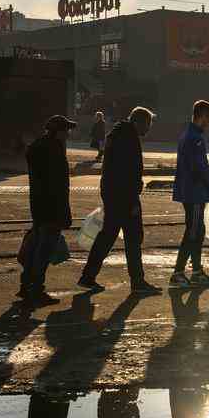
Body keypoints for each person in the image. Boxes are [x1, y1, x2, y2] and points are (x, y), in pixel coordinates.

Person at [80, 107, 161, 295]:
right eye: (147, 124)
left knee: (107, 237)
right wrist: (132, 201)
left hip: (112, 194)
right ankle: (138, 281)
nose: (148, 128)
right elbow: (128, 172)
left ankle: (88, 277)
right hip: (124, 197)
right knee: (133, 239)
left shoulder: (116, 134)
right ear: (139, 122)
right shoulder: (129, 138)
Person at [19, 115, 76, 303]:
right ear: (58, 132)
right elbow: (59, 186)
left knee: (36, 247)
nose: (68, 134)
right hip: (52, 207)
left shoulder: (38, 147)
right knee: (44, 251)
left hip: (38, 205)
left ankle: (26, 286)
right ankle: (36, 290)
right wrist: (64, 214)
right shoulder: (54, 151)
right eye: (66, 130)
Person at [172, 100, 209, 287]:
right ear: (202, 116)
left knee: (197, 231)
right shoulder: (195, 138)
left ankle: (196, 270)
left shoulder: (189, 135)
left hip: (190, 192)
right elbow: (201, 167)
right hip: (194, 194)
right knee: (193, 232)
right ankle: (179, 272)